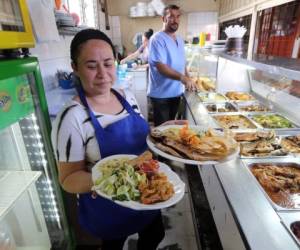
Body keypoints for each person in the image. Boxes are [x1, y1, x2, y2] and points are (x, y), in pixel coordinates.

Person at [51, 28, 185, 250]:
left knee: (154, 236)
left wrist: (160, 130)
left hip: (146, 191)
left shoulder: (125, 96)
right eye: (92, 66)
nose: (103, 74)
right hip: (109, 206)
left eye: (108, 63)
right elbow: (68, 178)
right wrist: (112, 180)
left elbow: (138, 136)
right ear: (75, 68)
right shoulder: (72, 116)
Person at [147, 5, 198, 126]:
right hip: (161, 96)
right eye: (171, 17)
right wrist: (183, 78)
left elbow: (182, 62)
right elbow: (161, 67)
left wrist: (188, 77)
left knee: (171, 130)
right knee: (162, 132)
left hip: (176, 92)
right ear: (163, 19)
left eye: (178, 16)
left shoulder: (180, 39)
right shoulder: (157, 39)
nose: (175, 20)